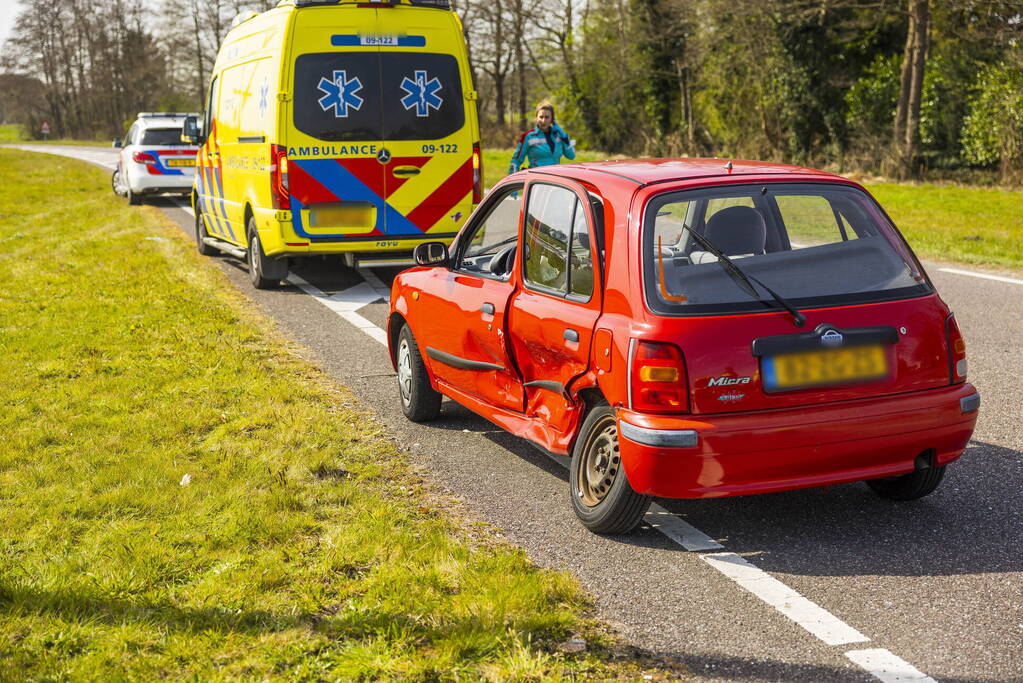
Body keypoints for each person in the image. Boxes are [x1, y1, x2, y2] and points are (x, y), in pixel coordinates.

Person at [508, 100, 576, 174]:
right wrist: (514, 179)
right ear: (536, 118)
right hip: (537, 180)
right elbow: (515, 161)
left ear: (552, 119)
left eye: (547, 117)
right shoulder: (528, 136)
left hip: (556, 180)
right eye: (541, 117)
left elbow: (571, 156)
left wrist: (564, 136)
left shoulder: (559, 136)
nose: (543, 120)